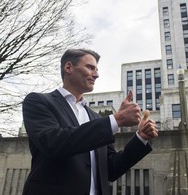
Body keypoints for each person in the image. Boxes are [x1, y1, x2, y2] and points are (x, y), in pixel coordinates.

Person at [22, 48, 158, 195]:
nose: (97, 74)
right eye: (90, 67)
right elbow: (52, 143)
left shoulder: (95, 118)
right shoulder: (38, 101)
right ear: (68, 67)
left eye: (97, 69)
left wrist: (140, 138)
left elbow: (111, 169)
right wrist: (116, 119)